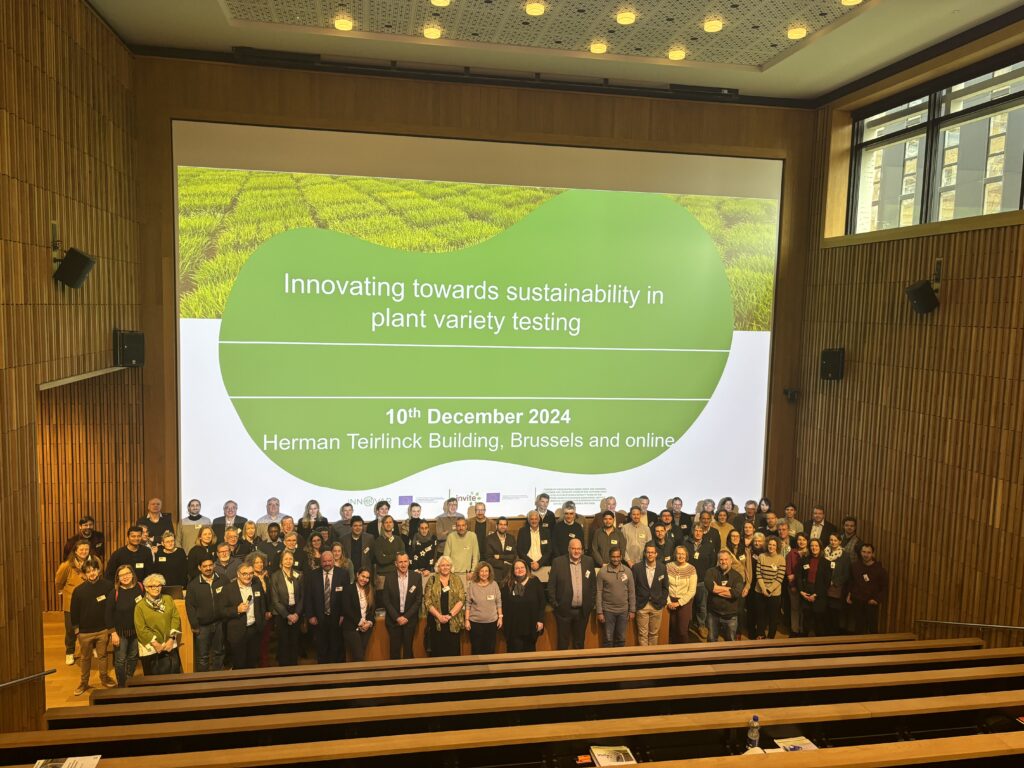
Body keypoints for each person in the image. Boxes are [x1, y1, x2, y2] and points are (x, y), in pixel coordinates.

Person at [68, 559, 114, 695]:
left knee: (103, 656)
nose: (92, 573)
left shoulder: (108, 586)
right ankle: (84, 682)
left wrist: (111, 628)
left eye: (93, 570)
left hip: (103, 629)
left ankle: (104, 678)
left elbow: (112, 607)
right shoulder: (78, 591)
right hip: (85, 631)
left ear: (98, 570)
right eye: (88, 572)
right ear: (84, 574)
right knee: (85, 658)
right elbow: (74, 611)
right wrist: (77, 630)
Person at [547, 538, 595, 650]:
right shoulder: (558, 562)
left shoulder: (589, 561)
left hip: (583, 611)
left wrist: (591, 603)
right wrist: (556, 605)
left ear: (582, 550)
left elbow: (593, 584)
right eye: (573, 548)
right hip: (564, 611)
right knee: (563, 642)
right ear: (568, 549)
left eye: (579, 549)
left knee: (579, 642)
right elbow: (551, 586)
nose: (576, 551)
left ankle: (578, 661)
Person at [216, 561, 266, 669]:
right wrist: (237, 610)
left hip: (254, 630)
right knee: (239, 664)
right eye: (245, 574)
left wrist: (262, 623)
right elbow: (221, 611)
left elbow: (262, 605)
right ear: (238, 574)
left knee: (253, 661)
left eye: (251, 573)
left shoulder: (257, 586)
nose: (248, 576)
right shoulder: (228, 589)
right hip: (237, 632)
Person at [134, 573, 182, 675]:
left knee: (173, 676)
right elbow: (141, 628)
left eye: (159, 585)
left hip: (169, 644)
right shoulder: (140, 606)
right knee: (154, 679)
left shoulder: (168, 599)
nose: (156, 588)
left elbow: (175, 618)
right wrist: (155, 644)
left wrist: (171, 639)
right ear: (146, 588)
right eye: (152, 586)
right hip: (152, 648)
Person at [184, 554, 225, 672]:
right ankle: (203, 680)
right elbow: (190, 606)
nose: (208, 568)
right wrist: (194, 625)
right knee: (203, 656)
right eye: (205, 566)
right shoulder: (193, 585)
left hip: (220, 624)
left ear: (214, 565)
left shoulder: (223, 579)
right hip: (202, 627)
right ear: (199, 568)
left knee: (219, 653)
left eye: (210, 565)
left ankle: (218, 678)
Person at [56, 541, 94, 665]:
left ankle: (92, 648)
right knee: (70, 629)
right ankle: (70, 652)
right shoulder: (67, 565)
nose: (84, 552)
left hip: (89, 602)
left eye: (86, 549)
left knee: (90, 626)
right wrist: (62, 590)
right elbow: (59, 581)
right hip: (71, 603)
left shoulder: (94, 561)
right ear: (76, 551)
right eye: (81, 549)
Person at [305, 550, 347, 663]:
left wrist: (343, 614)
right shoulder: (312, 575)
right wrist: (310, 615)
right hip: (319, 617)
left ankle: (336, 670)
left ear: (333, 560)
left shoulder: (343, 574)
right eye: (324, 561)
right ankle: (323, 670)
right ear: (321, 562)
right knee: (321, 647)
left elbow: (346, 597)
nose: (327, 563)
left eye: (329, 561)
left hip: (337, 617)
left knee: (336, 646)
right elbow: (308, 597)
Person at [106, 564, 144, 686]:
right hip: (120, 633)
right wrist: (113, 633)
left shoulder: (140, 587)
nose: (125, 577)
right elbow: (108, 614)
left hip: (136, 631)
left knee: (133, 657)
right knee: (120, 660)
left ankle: (129, 679)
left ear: (132, 574)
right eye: (121, 575)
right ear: (118, 578)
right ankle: (122, 685)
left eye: (127, 573)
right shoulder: (115, 593)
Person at [382, 552, 422, 660]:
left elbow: (418, 600)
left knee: (408, 651)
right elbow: (386, 600)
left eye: (405, 561)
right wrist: (397, 617)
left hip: (410, 620)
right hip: (393, 621)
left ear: (409, 562)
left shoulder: (416, 577)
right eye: (400, 562)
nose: (403, 564)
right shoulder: (389, 577)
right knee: (394, 651)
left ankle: (408, 671)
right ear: (396, 563)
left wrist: (406, 617)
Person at [423, 555, 466, 657]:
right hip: (436, 622)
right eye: (442, 565)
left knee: (453, 651)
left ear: (451, 567)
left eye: (447, 565)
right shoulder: (432, 580)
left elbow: (461, 599)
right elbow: (427, 601)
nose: (445, 567)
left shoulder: (457, 579)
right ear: (438, 567)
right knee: (437, 651)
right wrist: (439, 616)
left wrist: (450, 615)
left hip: (453, 621)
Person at [269, 549, 304, 666]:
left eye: (290, 559)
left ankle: (294, 667)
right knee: (283, 642)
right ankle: (283, 669)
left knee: (294, 641)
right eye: (286, 559)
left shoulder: (299, 574)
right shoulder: (275, 576)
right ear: (281, 561)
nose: (288, 561)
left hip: (296, 612)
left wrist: (297, 614)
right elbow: (275, 600)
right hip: (281, 613)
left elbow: (302, 597)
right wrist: (287, 615)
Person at [501, 559, 545, 652]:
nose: (520, 570)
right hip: (513, 627)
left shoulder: (535, 581)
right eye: (517, 568)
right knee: (514, 653)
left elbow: (542, 602)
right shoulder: (507, 583)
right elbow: (503, 604)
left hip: (531, 626)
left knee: (529, 654)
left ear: (526, 569)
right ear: (513, 570)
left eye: (522, 567)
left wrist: (540, 620)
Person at [595, 546, 635, 647]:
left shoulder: (628, 571)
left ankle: (620, 657)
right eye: (613, 557)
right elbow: (598, 592)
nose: (615, 559)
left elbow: (631, 591)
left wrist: (632, 610)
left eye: (617, 557)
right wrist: (599, 612)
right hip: (608, 611)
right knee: (608, 639)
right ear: (609, 557)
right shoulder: (602, 572)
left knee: (621, 639)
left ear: (621, 557)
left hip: (623, 611)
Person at [632, 542, 669, 645]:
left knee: (654, 634)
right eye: (648, 552)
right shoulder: (636, 568)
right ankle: (644, 655)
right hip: (641, 606)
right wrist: (636, 603)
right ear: (645, 553)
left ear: (656, 554)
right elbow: (632, 588)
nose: (650, 554)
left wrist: (662, 602)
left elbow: (665, 587)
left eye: (652, 552)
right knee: (642, 634)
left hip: (657, 606)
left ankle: (652, 654)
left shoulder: (662, 567)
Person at [685, 524, 716, 639]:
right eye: (696, 530)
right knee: (687, 605)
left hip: (702, 581)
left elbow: (712, 563)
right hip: (687, 581)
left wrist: (708, 578)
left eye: (700, 531)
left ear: (703, 533)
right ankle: (686, 626)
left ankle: (701, 625)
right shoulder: (685, 544)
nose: (698, 533)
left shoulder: (709, 545)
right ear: (692, 531)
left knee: (702, 606)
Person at [849, 543, 888, 634]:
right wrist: (849, 594)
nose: (866, 555)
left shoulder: (880, 570)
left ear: (873, 554)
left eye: (868, 552)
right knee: (858, 627)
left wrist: (877, 600)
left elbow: (884, 587)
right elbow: (851, 582)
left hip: (871, 602)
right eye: (864, 552)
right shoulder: (855, 566)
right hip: (858, 601)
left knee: (872, 627)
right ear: (860, 552)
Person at [705, 550, 743, 642]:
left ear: (731, 560)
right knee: (711, 640)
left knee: (731, 641)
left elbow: (735, 593)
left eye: (726, 559)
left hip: (731, 615)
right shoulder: (710, 572)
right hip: (713, 613)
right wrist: (728, 589)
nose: (723, 562)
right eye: (721, 559)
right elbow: (711, 587)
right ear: (718, 560)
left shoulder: (738, 576)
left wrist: (717, 588)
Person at [466, 562, 502, 655]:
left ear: (489, 573)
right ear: (478, 572)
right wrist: (467, 620)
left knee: (490, 649)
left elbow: (498, 602)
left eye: (486, 571)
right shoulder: (472, 585)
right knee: (476, 649)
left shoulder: (494, 584)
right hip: (475, 623)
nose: (484, 573)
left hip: (492, 623)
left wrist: (500, 617)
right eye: (482, 571)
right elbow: (468, 604)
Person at [754, 536, 786, 639]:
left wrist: (769, 590)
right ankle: (761, 634)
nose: (771, 547)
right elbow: (758, 574)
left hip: (774, 593)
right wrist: (764, 589)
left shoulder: (781, 559)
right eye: (770, 544)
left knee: (773, 617)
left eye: (774, 545)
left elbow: (780, 577)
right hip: (760, 591)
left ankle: (771, 637)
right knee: (760, 615)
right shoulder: (761, 556)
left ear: (777, 546)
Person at [341, 567, 376, 661]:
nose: (364, 579)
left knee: (361, 653)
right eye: (363, 576)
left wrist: (369, 622)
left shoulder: (370, 590)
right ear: (357, 575)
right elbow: (346, 609)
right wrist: (359, 622)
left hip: (366, 627)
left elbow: (372, 610)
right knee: (358, 655)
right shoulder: (348, 589)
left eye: (367, 578)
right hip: (351, 627)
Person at [798, 539, 829, 636]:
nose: (814, 548)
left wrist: (816, 595)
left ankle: (819, 642)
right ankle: (805, 641)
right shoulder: (804, 560)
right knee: (806, 620)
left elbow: (827, 582)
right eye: (812, 545)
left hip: (819, 594)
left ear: (820, 547)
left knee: (819, 621)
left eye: (816, 546)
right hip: (806, 593)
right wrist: (801, 591)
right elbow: (799, 577)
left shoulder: (826, 562)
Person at [666, 545, 697, 644]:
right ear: (675, 554)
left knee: (682, 631)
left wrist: (679, 603)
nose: (681, 556)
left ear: (686, 555)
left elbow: (692, 591)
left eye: (683, 554)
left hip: (685, 602)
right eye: (678, 553)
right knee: (672, 629)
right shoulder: (668, 566)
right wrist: (669, 602)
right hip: (670, 601)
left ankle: (684, 651)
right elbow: (664, 586)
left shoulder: (691, 569)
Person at [725, 529, 752, 639]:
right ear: (729, 538)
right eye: (733, 536)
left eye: (737, 536)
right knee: (729, 608)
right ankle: (728, 630)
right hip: (729, 583)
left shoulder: (745, 550)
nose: (735, 538)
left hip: (742, 583)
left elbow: (748, 568)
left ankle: (738, 631)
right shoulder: (725, 550)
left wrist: (748, 586)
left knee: (740, 609)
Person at [823, 533, 851, 635]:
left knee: (835, 613)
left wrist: (834, 582)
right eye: (831, 540)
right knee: (826, 613)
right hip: (825, 587)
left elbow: (846, 574)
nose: (833, 542)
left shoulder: (845, 555)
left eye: (835, 540)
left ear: (840, 541)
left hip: (837, 588)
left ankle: (834, 635)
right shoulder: (824, 553)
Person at [372, 514, 406, 594]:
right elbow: (381, 560)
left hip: (397, 575)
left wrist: (387, 556)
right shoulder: (378, 541)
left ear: (393, 524)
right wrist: (396, 555)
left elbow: (402, 558)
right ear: (382, 525)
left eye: (390, 522)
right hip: (383, 576)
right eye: (386, 522)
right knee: (382, 599)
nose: (388, 524)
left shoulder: (398, 540)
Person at [517, 510, 552, 582]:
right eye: (532, 519)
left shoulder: (546, 532)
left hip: (543, 565)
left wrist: (539, 563)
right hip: (527, 566)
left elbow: (549, 550)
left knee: (543, 587)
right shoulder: (522, 531)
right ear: (528, 520)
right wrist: (531, 563)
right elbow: (520, 550)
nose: (534, 521)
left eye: (536, 519)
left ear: (539, 520)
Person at [786, 532, 810, 636]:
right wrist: (792, 585)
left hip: (807, 587)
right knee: (795, 609)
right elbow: (789, 572)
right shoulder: (792, 553)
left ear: (807, 541)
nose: (801, 542)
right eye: (799, 539)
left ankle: (803, 630)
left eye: (804, 540)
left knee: (804, 609)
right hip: (794, 586)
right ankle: (795, 630)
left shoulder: (810, 552)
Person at [444, 516, 480, 584]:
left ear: (466, 526)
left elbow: (476, 556)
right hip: (452, 573)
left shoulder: (472, 536)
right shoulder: (451, 537)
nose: (461, 528)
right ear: (456, 527)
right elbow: (446, 557)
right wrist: (448, 572)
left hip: (467, 574)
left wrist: (472, 572)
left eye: (463, 525)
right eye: (458, 526)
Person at [483, 516, 516, 584]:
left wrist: (500, 557)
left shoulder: (511, 538)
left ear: (507, 526)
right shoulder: (489, 539)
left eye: (505, 525)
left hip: (509, 574)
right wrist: (504, 563)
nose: (503, 527)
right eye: (501, 524)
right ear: (496, 526)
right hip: (495, 573)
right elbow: (488, 559)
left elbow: (513, 556)